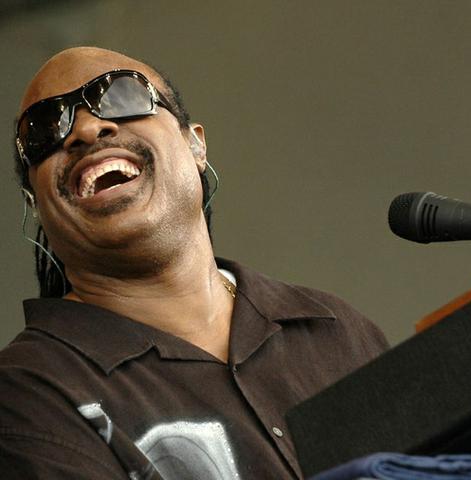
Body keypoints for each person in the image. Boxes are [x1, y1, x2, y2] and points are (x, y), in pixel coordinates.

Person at [0, 47, 389, 480]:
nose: (88, 129)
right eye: (44, 129)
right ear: (35, 205)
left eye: (123, 95)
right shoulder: (28, 391)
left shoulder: (336, 330)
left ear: (195, 145)